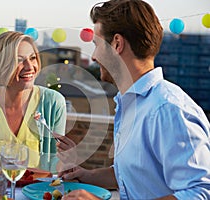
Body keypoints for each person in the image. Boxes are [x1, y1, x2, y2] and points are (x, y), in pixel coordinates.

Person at [57, 0, 210, 199]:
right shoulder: (130, 103)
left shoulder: (167, 109)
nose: (94, 56)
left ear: (117, 44)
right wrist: (86, 175)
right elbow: (136, 174)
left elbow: (200, 193)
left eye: (97, 45)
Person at [0, 31, 67, 173]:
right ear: (0, 66)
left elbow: (55, 159)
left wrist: (65, 164)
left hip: (36, 192)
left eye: (32, 58)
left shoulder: (53, 103)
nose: (30, 67)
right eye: (19, 60)